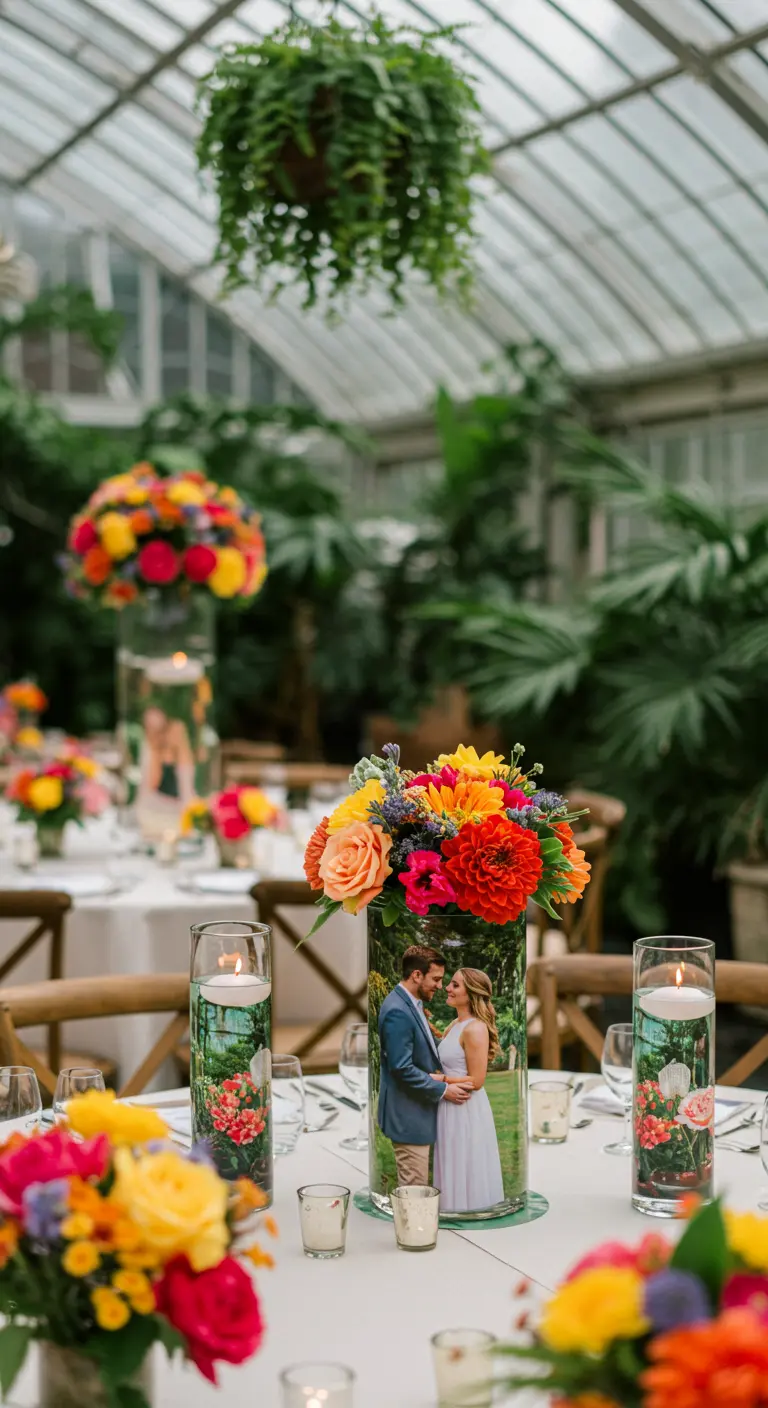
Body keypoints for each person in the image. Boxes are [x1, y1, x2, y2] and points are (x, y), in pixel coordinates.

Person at [377, 946, 472, 1189]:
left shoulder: (411, 1004)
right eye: (437, 979)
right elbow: (401, 1068)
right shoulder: (398, 1011)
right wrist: (443, 1090)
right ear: (417, 975)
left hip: (416, 1115)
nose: (441, 986)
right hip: (408, 1118)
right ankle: (412, 1228)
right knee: (414, 1191)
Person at [432, 968, 505, 1213]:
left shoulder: (475, 1028)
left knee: (466, 1163)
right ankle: (449, 1208)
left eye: (455, 985)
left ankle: (468, 1210)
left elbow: (477, 1080)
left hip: (465, 1106)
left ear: (471, 993)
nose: (447, 988)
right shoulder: (456, 1024)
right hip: (448, 1103)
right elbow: (450, 1054)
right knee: (451, 1161)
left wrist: (440, 1079)